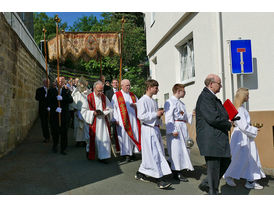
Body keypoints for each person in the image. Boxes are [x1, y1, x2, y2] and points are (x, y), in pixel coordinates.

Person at [195, 74, 232, 195]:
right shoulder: (205, 97)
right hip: (211, 139)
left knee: (226, 161)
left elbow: (219, 114)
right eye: (219, 83)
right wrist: (227, 123)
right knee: (214, 168)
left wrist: (230, 116)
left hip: (216, 138)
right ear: (211, 84)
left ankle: (207, 184)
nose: (221, 86)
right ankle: (213, 192)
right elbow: (213, 118)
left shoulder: (212, 97)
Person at [223, 88, 265, 189]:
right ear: (243, 96)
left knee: (250, 158)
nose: (248, 97)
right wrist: (254, 129)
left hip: (244, 136)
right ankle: (228, 176)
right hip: (241, 136)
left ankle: (250, 180)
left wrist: (252, 127)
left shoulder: (239, 108)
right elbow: (243, 126)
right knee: (238, 158)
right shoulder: (239, 110)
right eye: (247, 95)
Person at [135, 79, 172, 189]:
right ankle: (159, 180)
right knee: (154, 153)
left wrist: (158, 116)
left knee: (154, 153)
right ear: (150, 88)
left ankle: (140, 173)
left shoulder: (153, 101)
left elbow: (154, 116)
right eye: (156, 88)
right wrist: (155, 114)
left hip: (154, 129)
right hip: (148, 130)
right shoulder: (142, 100)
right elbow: (141, 116)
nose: (158, 90)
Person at [164, 83, 194, 182]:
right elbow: (169, 117)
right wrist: (172, 130)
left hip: (182, 127)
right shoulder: (170, 102)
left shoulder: (181, 103)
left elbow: (182, 115)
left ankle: (179, 168)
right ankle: (176, 172)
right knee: (176, 150)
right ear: (178, 91)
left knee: (183, 149)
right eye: (184, 91)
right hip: (175, 128)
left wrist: (190, 114)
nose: (185, 93)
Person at [81, 80, 113, 163]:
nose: (100, 92)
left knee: (104, 139)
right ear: (94, 88)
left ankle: (103, 157)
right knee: (91, 139)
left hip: (103, 122)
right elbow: (84, 111)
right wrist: (93, 113)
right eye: (99, 91)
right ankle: (89, 152)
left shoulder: (104, 97)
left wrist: (106, 111)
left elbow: (110, 108)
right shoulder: (89, 97)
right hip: (93, 122)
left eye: (102, 90)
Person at [111, 79, 141, 163]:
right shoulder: (116, 95)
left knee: (134, 134)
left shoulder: (133, 95)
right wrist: (115, 119)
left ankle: (133, 152)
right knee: (124, 137)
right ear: (122, 86)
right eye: (127, 85)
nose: (128, 87)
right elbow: (113, 108)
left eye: (129, 85)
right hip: (122, 121)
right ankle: (126, 155)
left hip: (133, 120)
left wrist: (135, 105)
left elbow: (139, 104)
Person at [47, 77, 73, 155]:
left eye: (62, 81)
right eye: (59, 81)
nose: (60, 83)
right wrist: (55, 108)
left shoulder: (67, 90)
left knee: (64, 132)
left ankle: (63, 148)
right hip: (55, 114)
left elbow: (70, 100)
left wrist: (63, 98)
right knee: (55, 131)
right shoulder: (51, 91)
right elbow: (48, 101)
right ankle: (55, 145)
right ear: (56, 82)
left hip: (64, 114)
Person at [71, 77, 92, 147]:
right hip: (78, 112)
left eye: (83, 84)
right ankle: (78, 141)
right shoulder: (76, 93)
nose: (82, 86)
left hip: (86, 112)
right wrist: (76, 110)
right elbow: (73, 101)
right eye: (81, 84)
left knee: (85, 127)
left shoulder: (89, 92)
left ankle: (84, 140)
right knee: (78, 127)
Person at [35, 78, 51, 143]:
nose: (47, 83)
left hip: (51, 109)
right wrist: (44, 96)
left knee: (52, 124)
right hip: (43, 110)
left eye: (48, 82)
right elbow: (36, 98)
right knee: (44, 124)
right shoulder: (39, 90)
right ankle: (46, 137)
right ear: (43, 83)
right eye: (46, 82)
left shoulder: (51, 90)